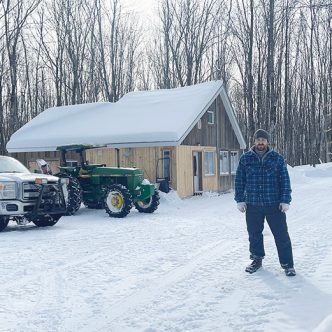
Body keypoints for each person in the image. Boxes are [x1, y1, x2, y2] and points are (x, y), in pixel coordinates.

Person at [235, 129, 296, 277]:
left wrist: (285, 200)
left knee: (281, 235)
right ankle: (256, 259)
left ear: (267, 141)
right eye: (258, 139)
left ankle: (287, 264)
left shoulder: (277, 158)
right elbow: (239, 180)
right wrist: (240, 199)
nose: (260, 142)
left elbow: (284, 181)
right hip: (253, 204)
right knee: (254, 234)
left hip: (274, 204)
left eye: (263, 139)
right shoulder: (245, 159)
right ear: (254, 141)